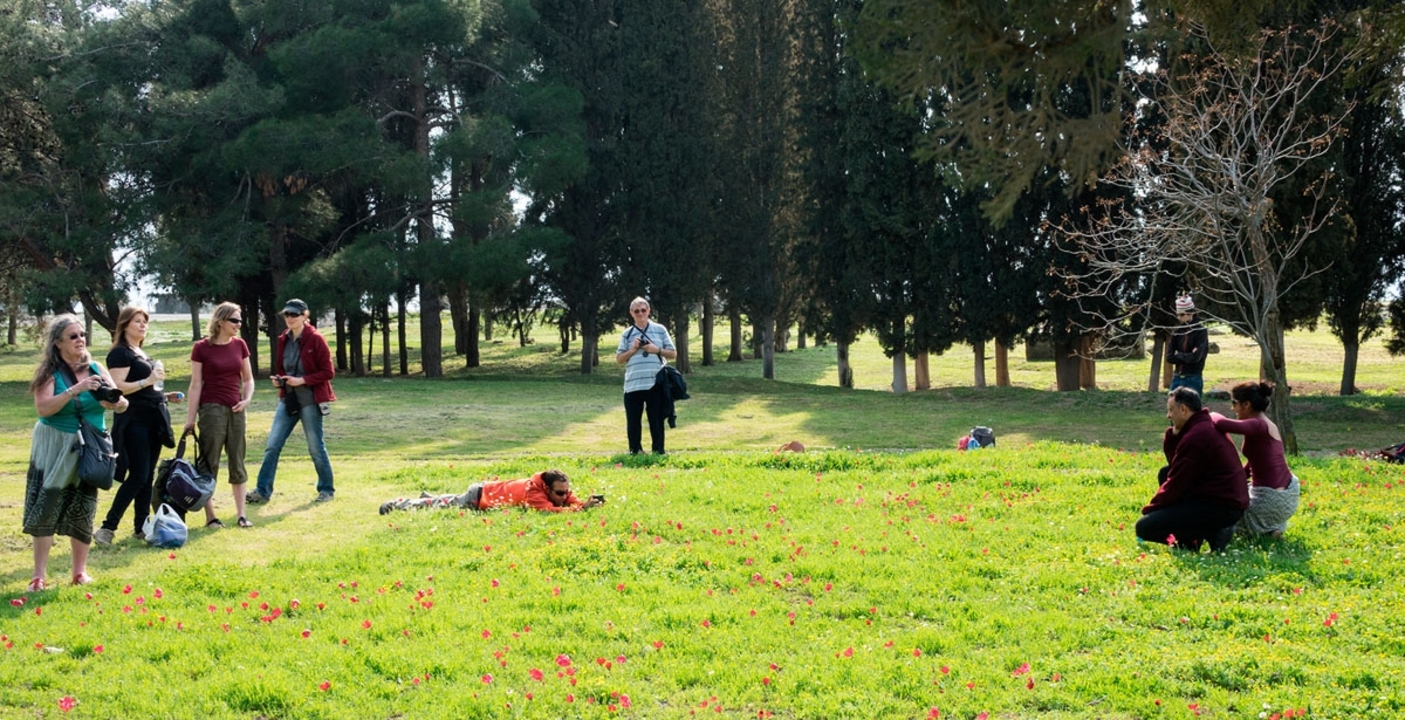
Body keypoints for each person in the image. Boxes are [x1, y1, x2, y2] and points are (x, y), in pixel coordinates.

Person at [24, 314, 129, 590]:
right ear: (58, 342)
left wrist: (117, 405)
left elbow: (120, 401)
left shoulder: (96, 367)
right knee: (47, 506)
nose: (80, 340)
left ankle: (79, 572)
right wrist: (76, 389)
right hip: (55, 446)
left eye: (82, 334)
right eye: (73, 336)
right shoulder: (50, 372)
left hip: (91, 448)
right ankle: (39, 576)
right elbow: (43, 408)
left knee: (84, 506)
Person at [94, 306, 184, 545]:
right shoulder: (120, 353)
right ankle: (107, 528)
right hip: (134, 421)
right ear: (124, 325)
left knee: (147, 475)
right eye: (137, 321)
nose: (143, 326)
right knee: (138, 475)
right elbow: (118, 387)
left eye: (145, 322)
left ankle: (141, 526)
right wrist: (149, 380)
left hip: (154, 418)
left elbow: (146, 391)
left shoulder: (140, 352)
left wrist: (165, 396)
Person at [1136, 387, 1249, 552]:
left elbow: (1177, 482)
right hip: (1216, 496)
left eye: (1171, 410)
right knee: (1164, 473)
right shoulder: (1200, 425)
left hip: (1223, 505)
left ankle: (1210, 533)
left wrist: (1151, 510)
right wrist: (1172, 435)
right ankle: (1193, 538)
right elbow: (1175, 466)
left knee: (1145, 527)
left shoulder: (1197, 436)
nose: (1168, 416)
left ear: (1183, 409)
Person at [248, 298, 336, 504]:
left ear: (305, 316)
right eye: (287, 314)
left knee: (315, 446)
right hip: (288, 400)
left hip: (311, 401)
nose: (289, 318)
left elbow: (328, 372)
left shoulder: (316, 339)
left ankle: (326, 490)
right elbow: (282, 369)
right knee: (272, 445)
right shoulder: (283, 339)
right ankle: (262, 490)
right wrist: (280, 381)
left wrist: (302, 380)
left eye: (294, 314)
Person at [183, 301, 255, 529]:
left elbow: (248, 378)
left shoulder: (240, 345)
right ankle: (211, 516)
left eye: (240, 320)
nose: (239, 324)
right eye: (234, 320)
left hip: (236, 410)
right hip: (211, 410)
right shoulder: (202, 348)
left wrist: (247, 399)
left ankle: (241, 515)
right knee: (209, 462)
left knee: (238, 460)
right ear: (221, 321)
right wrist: (190, 419)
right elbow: (195, 384)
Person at [1213, 381, 1299, 538]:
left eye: (1234, 403)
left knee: (1224, 514)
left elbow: (1221, 423)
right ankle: (1272, 529)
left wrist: (1208, 414)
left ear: (1246, 405)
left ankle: (1263, 527)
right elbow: (1255, 463)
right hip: (1287, 497)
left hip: (1270, 500)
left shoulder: (1258, 424)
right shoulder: (1267, 424)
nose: (1233, 409)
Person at [378, 470, 604, 514]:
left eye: (566, 492)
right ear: (547, 488)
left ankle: (428, 497)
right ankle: (398, 504)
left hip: (484, 491)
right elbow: (551, 510)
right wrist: (579, 510)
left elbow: (567, 501)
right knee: (439, 507)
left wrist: (582, 503)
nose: (565, 497)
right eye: (561, 493)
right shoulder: (533, 493)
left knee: (447, 501)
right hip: (480, 496)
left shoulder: (551, 488)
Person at [614, 297, 676, 454]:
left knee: (656, 420)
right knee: (633, 422)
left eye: (643, 310)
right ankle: (635, 451)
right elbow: (619, 359)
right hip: (632, 385)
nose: (640, 313)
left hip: (655, 383)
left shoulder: (660, 329)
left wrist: (657, 350)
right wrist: (632, 349)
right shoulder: (627, 334)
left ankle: (658, 451)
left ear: (648, 311)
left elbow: (673, 354)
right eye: (636, 311)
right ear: (631, 313)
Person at [1166, 293, 1208, 396]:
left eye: (1182, 314)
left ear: (1191, 313)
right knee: (1172, 409)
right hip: (1177, 377)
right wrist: (1187, 355)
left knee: (1193, 411)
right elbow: (1169, 357)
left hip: (1193, 377)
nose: (1179, 317)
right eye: (1177, 314)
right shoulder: (1177, 332)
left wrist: (1178, 354)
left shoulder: (1200, 331)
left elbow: (1196, 358)